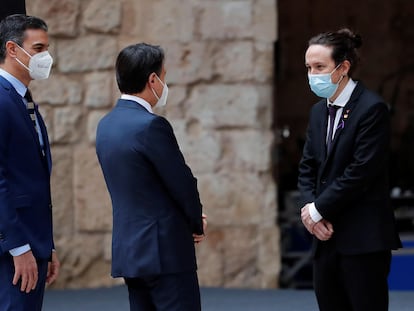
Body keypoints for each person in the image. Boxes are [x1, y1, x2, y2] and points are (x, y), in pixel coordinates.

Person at [96, 43, 207, 311]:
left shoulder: (106, 125)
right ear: (153, 79)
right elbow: (182, 182)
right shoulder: (151, 125)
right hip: (165, 252)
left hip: (130, 251)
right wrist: (196, 222)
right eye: (164, 76)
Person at [298, 28, 401, 311]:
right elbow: (308, 165)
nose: (312, 74)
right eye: (309, 67)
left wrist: (318, 210)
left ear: (343, 67)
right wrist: (309, 211)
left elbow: (361, 171)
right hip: (325, 239)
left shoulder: (372, 109)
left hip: (362, 239)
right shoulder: (318, 112)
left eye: (320, 67)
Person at [0, 14, 60, 311]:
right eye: (38, 49)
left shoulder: (23, 99)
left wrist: (45, 246)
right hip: (13, 250)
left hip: (32, 243)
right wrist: (19, 247)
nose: (45, 57)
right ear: (13, 50)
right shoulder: (1, 99)